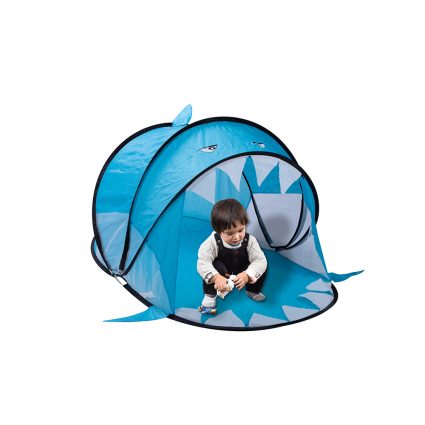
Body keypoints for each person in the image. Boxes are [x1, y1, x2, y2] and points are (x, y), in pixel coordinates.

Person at [197, 198, 268, 309]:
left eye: (240, 230)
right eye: (229, 233)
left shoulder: (250, 240)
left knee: (260, 265)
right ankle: (210, 295)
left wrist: (247, 275)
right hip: (222, 272)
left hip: (242, 271)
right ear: (218, 231)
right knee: (214, 265)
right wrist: (216, 277)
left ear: (245, 225)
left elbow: (260, 260)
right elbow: (203, 262)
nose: (237, 237)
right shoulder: (212, 242)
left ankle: (252, 290)